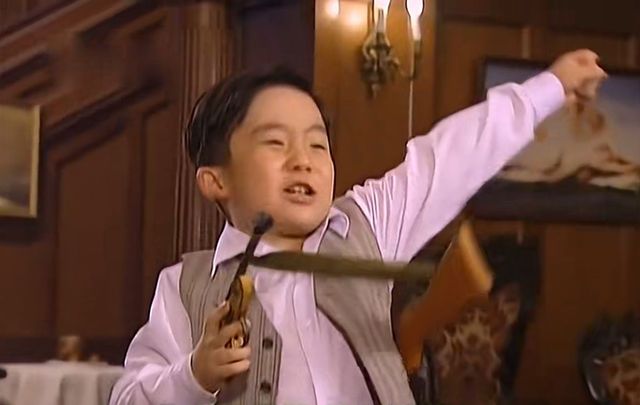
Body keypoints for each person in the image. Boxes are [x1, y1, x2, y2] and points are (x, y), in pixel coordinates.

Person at [109, 49, 606, 405]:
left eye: (317, 144)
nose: (303, 160)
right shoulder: (185, 286)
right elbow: (128, 397)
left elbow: (452, 155)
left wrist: (550, 87)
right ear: (216, 180)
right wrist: (194, 375)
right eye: (276, 143)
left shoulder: (366, 225)